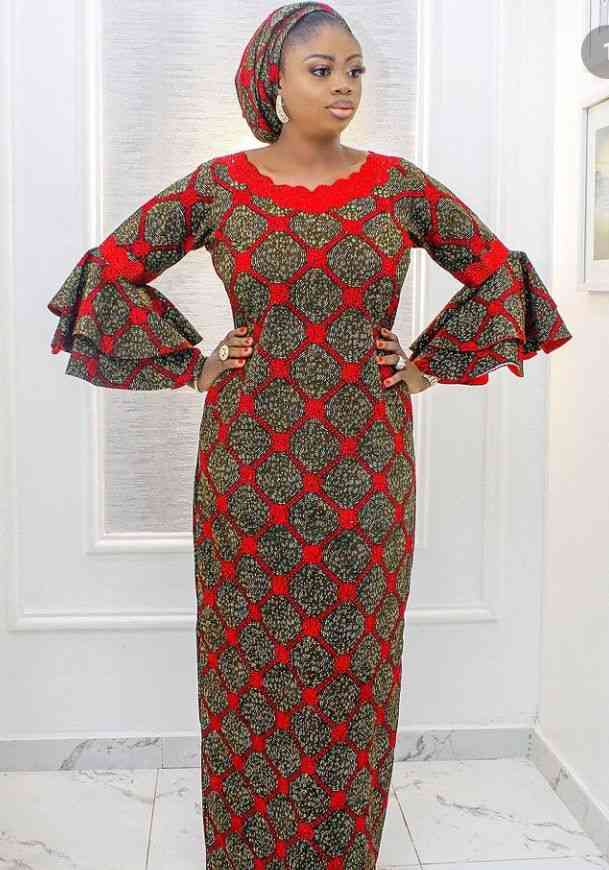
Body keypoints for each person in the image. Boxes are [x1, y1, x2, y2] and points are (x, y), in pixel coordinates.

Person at [47, 3, 573, 867]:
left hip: (368, 467)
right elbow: (108, 273)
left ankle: (342, 852)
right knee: (246, 671)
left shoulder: (400, 187)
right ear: (273, 81)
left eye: (354, 70)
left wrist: (423, 366)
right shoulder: (218, 187)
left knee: (354, 671)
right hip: (248, 467)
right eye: (321, 70)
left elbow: (498, 277)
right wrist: (194, 365)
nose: (344, 86)